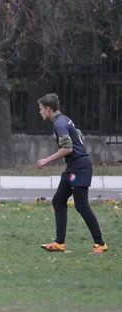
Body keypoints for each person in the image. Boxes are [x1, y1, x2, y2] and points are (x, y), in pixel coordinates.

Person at [36, 93, 108, 254]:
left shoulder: (59, 124)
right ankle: (59, 243)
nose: (40, 112)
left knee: (82, 205)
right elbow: (79, 136)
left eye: (41, 109)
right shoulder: (64, 119)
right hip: (73, 166)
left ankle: (100, 244)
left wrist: (46, 160)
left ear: (48, 109)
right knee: (59, 201)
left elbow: (68, 148)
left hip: (79, 167)